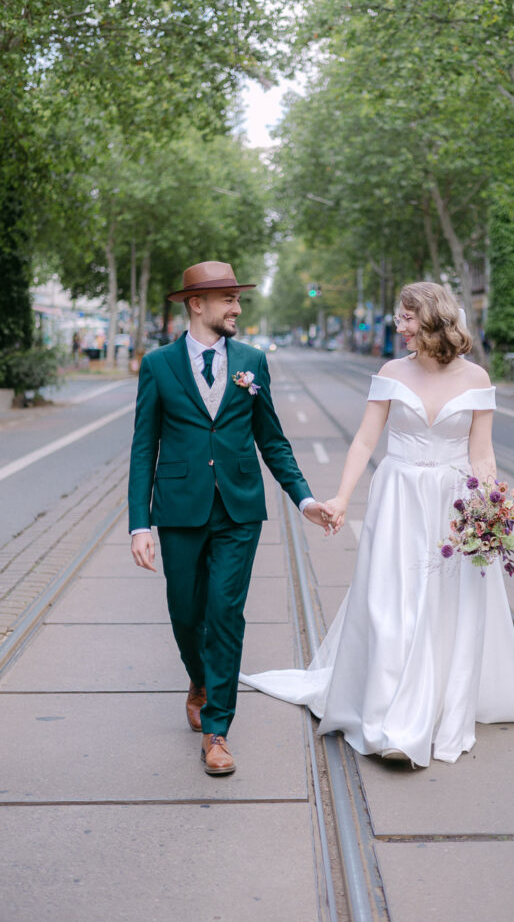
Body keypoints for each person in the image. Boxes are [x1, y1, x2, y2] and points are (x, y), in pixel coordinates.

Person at [242, 282, 514, 767]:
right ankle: (391, 714)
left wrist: (490, 508)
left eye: (405, 317)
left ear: (431, 318)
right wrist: (342, 498)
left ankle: (437, 704)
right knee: (392, 600)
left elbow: (482, 452)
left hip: (455, 503)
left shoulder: (476, 378)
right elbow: (365, 442)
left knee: (446, 602)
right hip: (398, 498)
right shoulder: (391, 371)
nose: (398, 325)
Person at [129, 261, 331, 776]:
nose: (237, 308)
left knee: (225, 614)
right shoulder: (157, 365)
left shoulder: (252, 362)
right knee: (185, 613)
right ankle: (198, 679)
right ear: (197, 305)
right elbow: (142, 449)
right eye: (228, 300)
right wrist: (139, 524)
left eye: (238, 299)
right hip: (178, 510)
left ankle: (217, 730)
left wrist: (304, 498)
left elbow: (272, 439)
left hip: (239, 510)